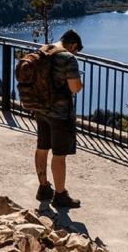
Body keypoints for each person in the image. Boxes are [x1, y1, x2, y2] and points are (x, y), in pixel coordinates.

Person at [34, 29, 84, 209]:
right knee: (59, 155)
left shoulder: (44, 49)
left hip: (41, 109)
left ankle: (43, 187)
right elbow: (75, 88)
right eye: (76, 50)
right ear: (73, 45)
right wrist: (80, 83)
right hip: (60, 114)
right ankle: (60, 195)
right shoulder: (68, 59)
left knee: (42, 147)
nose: (75, 53)